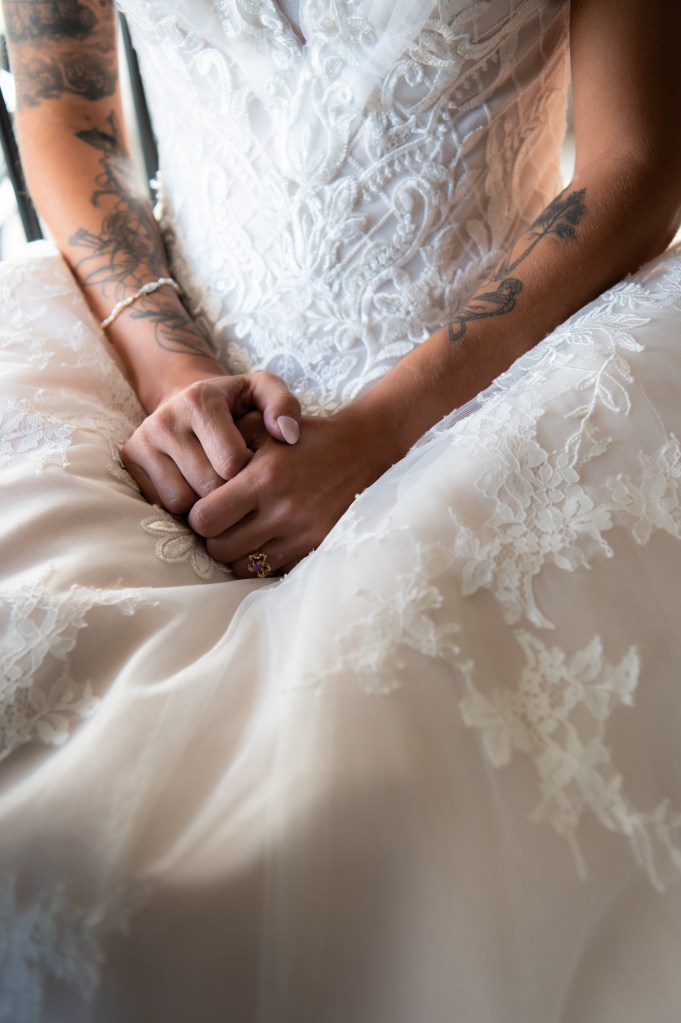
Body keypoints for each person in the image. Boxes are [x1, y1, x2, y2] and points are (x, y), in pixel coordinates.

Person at [1, 0, 681, 1018]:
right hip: (171, 366)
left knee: (377, 813)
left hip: (489, 398)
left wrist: (377, 434)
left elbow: (639, 166)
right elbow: (67, 109)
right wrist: (170, 365)